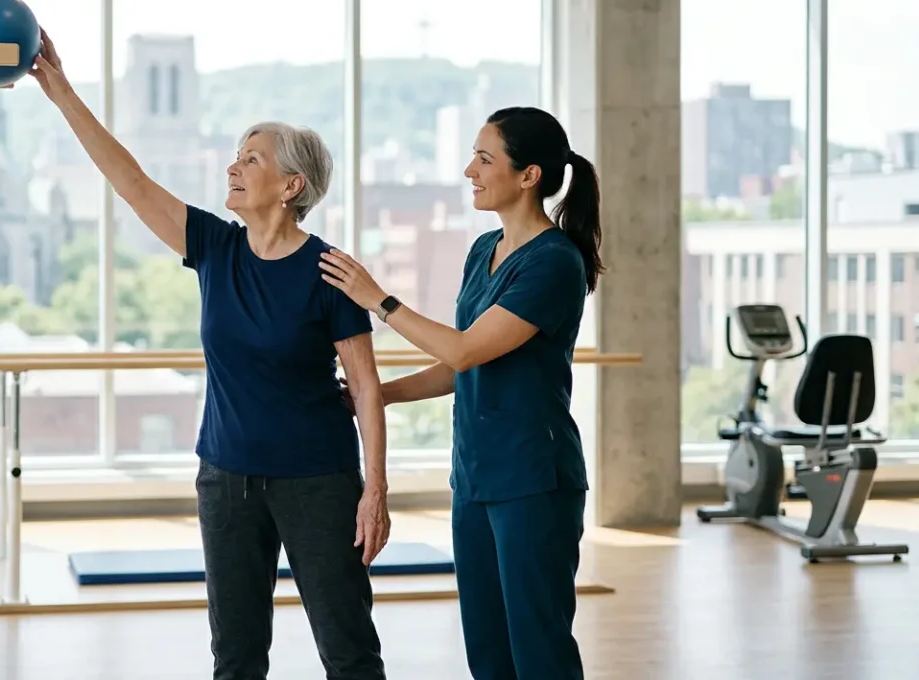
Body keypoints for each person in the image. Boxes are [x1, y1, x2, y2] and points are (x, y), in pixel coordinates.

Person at [31, 30, 391, 680]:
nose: (233, 167)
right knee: (235, 658)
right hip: (226, 482)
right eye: (236, 155)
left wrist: (376, 491)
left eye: (251, 159)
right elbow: (130, 180)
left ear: (291, 185)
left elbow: (366, 387)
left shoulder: (331, 271)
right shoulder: (215, 249)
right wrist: (59, 90)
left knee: (349, 652)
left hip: (319, 483)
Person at [319, 106, 601, 680]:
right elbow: (460, 367)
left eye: (484, 158)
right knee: (489, 654)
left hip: (533, 482)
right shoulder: (483, 251)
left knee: (538, 650)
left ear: (529, 176)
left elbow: (464, 349)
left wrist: (380, 299)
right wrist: (377, 396)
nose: (469, 169)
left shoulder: (554, 263)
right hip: (474, 480)